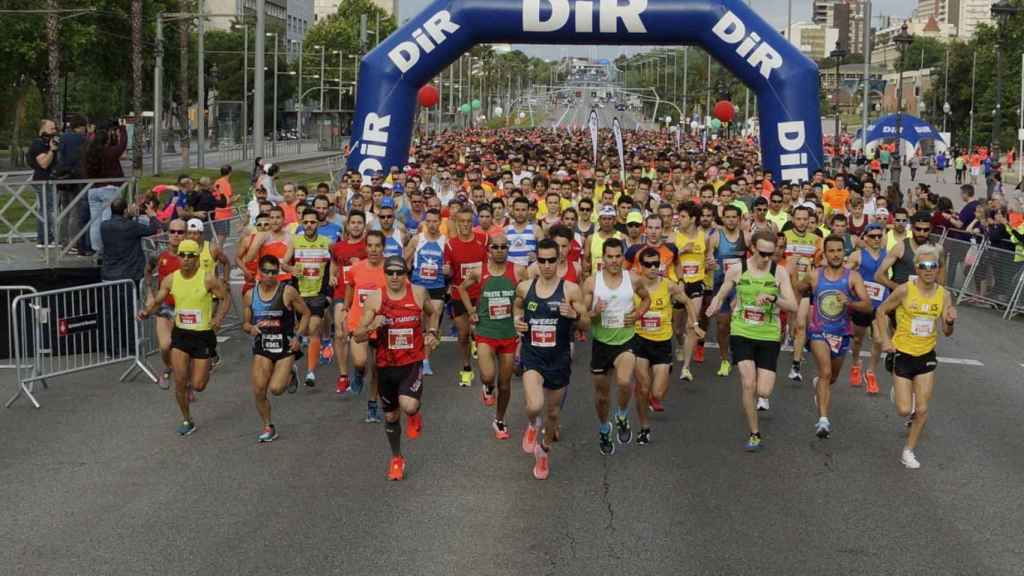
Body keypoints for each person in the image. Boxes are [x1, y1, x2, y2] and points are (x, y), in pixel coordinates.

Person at [706, 230, 799, 451]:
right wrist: (716, 303)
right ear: (753, 249)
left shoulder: (779, 273)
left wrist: (774, 298)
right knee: (748, 383)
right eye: (763, 253)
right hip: (742, 331)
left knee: (764, 391)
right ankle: (754, 433)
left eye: (771, 253)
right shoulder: (738, 269)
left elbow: (793, 305)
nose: (767, 258)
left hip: (768, 333)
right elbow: (723, 291)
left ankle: (760, 394)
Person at [354, 256, 441, 480]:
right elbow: (358, 335)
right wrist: (373, 325)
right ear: (385, 274)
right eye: (390, 273)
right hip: (385, 366)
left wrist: (432, 333)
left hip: (411, 363)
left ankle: (413, 413)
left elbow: (433, 313)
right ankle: (397, 458)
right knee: (391, 417)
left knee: (409, 405)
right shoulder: (375, 299)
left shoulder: (419, 293)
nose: (395, 277)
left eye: (399, 273)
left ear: (406, 274)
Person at [138, 239, 231, 436]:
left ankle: (209, 362)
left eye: (191, 255)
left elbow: (225, 298)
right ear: (178, 256)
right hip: (181, 335)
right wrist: (146, 311)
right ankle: (187, 419)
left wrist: (218, 317)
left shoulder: (207, 279)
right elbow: (158, 301)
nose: (186, 259)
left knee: (198, 385)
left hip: (203, 336)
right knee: (180, 380)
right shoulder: (171, 279)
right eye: (183, 255)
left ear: (197, 258)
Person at [875, 244, 956, 469]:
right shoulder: (904, 290)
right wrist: (885, 340)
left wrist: (950, 321)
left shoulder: (944, 295)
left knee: (921, 409)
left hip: (926, 355)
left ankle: (908, 451)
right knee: (904, 410)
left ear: (939, 268)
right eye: (924, 266)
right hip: (902, 352)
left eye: (934, 266)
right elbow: (881, 311)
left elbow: (947, 332)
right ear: (917, 268)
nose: (929, 270)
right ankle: (900, 393)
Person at [513, 239, 589, 480]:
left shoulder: (570, 290)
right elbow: (516, 307)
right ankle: (533, 424)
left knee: (554, 414)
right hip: (533, 355)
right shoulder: (525, 287)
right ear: (537, 260)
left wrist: (575, 315)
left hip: (559, 357)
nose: (546, 266)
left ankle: (544, 450)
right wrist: (517, 321)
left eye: (551, 261)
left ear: (559, 261)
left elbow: (587, 322)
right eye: (542, 260)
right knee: (535, 405)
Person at [796, 234, 873, 439]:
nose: (836, 254)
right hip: (819, 331)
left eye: (839, 250)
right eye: (831, 250)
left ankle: (820, 385)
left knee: (832, 377)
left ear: (844, 252)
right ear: (825, 253)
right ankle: (823, 420)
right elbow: (799, 287)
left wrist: (850, 302)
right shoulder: (815, 275)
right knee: (826, 372)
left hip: (842, 333)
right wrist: (800, 307)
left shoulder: (852, 277)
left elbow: (867, 305)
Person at [582, 238, 650, 455]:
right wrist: (595, 312)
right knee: (602, 397)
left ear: (623, 257)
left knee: (623, 381)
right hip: (601, 345)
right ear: (603, 258)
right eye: (609, 256)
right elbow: (583, 318)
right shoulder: (592, 283)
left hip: (626, 341)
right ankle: (604, 429)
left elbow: (646, 300)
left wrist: (638, 314)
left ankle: (621, 415)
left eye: (617, 256)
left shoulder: (634, 279)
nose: (613, 261)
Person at [458, 231, 527, 439]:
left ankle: (499, 420)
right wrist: (471, 311)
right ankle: (487, 388)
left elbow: (529, 293)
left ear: (508, 249)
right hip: (486, 332)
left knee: (504, 384)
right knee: (488, 376)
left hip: (508, 333)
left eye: (503, 247)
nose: (499, 251)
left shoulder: (519, 271)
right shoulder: (479, 270)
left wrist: (522, 316)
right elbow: (461, 288)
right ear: (489, 250)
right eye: (495, 247)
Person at [632, 246, 703, 442]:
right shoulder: (633, 286)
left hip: (662, 342)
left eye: (657, 264)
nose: (653, 268)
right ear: (641, 266)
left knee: (657, 394)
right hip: (639, 340)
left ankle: (658, 383)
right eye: (649, 264)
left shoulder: (669, 285)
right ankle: (644, 428)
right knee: (643, 388)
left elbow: (687, 301)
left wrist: (694, 324)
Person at [243, 255, 312, 442]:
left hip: (285, 347)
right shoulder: (250, 295)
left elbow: (306, 314)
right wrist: (252, 328)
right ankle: (268, 426)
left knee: (276, 389)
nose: (270, 275)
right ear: (259, 271)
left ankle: (291, 373)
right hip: (262, 346)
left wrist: (299, 337)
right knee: (258, 390)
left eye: (274, 272)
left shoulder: (287, 292)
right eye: (266, 271)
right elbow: (246, 324)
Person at [344, 230, 388, 422]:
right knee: (360, 361)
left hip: (380, 326)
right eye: (370, 245)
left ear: (383, 248)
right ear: (365, 246)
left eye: (377, 245)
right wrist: (345, 308)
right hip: (358, 324)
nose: (373, 249)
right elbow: (350, 286)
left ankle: (372, 405)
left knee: (378, 368)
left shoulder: (391, 269)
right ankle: (359, 373)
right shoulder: (357, 268)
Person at [446, 206, 488, 387]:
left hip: (480, 295)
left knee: (479, 332)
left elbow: (490, 265)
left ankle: (483, 360)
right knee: (463, 334)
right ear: (456, 222)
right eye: (461, 221)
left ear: (473, 223)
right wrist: (446, 272)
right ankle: (466, 368)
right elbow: (447, 270)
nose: (465, 225)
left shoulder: (483, 240)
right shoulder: (450, 244)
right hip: (458, 295)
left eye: (468, 221)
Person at [404, 208, 448, 377]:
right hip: (419, 287)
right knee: (419, 324)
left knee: (433, 318)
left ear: (440, 222)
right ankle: (416, 356)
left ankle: (426, 360)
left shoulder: (445, 241)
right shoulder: (417, 240)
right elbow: (404, 262)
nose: (431, 224)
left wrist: (448, 271)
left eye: (435, 221)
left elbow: (451, 267)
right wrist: (408, 278)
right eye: (428, 221)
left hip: (437, 287)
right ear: (424, 222)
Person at [291, 209, 333, 387]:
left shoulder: (327, 242)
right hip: (300, 294)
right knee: (304, 330)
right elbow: (284, 263)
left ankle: (310, 372)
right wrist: (290, 268)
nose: (309, 225)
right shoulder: (295, 242)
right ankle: (296, 353)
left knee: (314, 327)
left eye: (312, 222)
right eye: (306, 222)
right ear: (301, 222)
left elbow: (335, 263)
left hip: (318, 293)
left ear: (318, 223)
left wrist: (331, 286)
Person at [846, 222, 887, 394]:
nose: (877, 239)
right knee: (857, 339)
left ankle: (870, 372)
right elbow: (845, 274)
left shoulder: (888, 256)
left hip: (881, 305)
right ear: (866, 238)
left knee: (879, 339)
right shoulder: (857, 255)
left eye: (880, 235)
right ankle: (856, 363)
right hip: (862, 304)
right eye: (873, 236)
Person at [329, 210, 368, 394]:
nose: (356, 225)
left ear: (364, 225)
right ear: (348, 225)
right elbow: (334, 264)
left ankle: (360, 370)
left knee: (362, 337)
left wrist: (359, 263)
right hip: (342, 292)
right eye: (353, 222)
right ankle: (343, 375)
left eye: (359, 222)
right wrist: (331, 276)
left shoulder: (369, 247)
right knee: (340, 332)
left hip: (362, 296)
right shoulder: (338, 247)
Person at [145, 218, 186, 389]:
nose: (175, 235)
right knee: (165, 345)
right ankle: (169, 368)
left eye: (180, 232)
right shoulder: (158, 254)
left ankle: (185, 382)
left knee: (183, 348)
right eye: (172, 232)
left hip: (185, 307)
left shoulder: (191, 255)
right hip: (164, 306)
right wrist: (149, 293)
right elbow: (148, 270)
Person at [707, 205, 747, 377]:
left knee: (739, 324)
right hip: (721, 286)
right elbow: (708, 259)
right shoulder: (715, 237)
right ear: (722, 219)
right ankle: (724, 359)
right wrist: (710, 264)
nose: (731, 220)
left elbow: (755, 258)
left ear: (738, 219)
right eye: (727, 217)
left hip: (741, 288)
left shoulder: (746, 236)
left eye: (734, 217)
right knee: (722, 324)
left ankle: (741, 354)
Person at [81, 123, 128, 255]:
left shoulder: (89, 154)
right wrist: (123, 130)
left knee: (95, 221)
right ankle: (109, 249)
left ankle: (97, 249)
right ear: (107, 140)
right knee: (107, 220)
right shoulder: (109, 152)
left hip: (93, 190)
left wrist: (90, 134)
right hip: (109, 189)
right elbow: (122, 145)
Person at [27, 118, 59, 248]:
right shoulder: (38, 144)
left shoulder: (46, 143)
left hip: (49, 180)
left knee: (48, 209)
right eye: (51, 128)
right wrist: (52, 150)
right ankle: (45, 239)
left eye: (54, 128)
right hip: (43, 180)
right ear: (42, 129)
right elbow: (44, 164)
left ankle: (47, 238)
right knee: (46, 210)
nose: (54, 131)